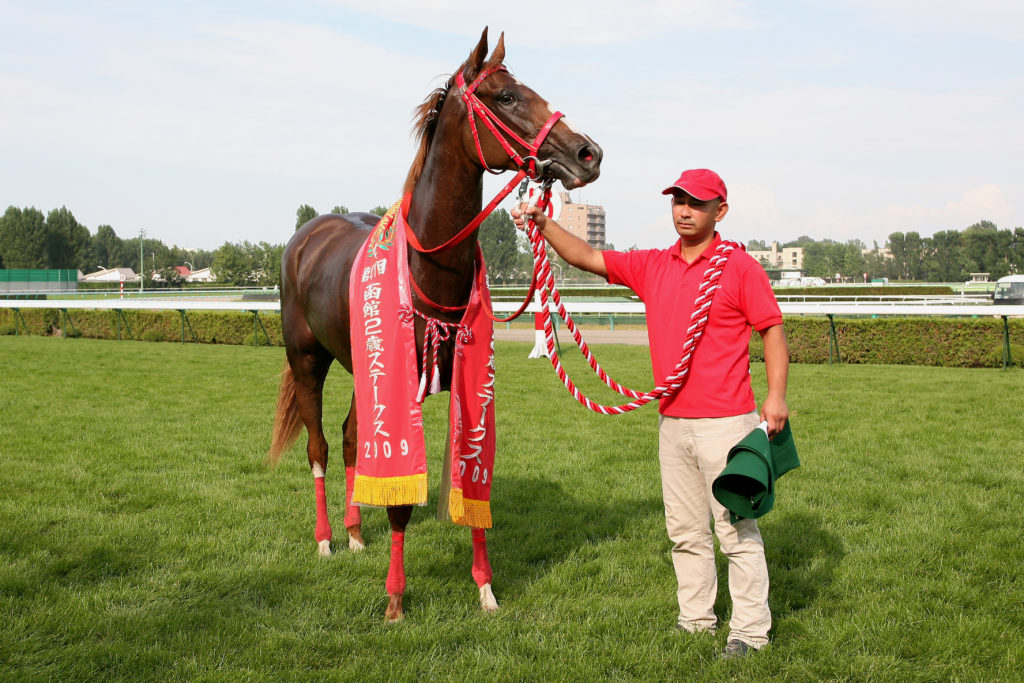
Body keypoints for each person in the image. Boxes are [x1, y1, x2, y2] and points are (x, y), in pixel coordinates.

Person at [512, 169, 789, 659]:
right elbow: (588, 255)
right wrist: (542, 221)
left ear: (719, 212)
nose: (684, 210)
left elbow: (771, 330)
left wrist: (776, 397)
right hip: (673, 422)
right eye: (678, 201)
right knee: (684, 531)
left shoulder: (740, 268)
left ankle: (749, 631)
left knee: (735, 530)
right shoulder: (653, 266)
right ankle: (696, 619)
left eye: (696, 203)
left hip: (727, 424)